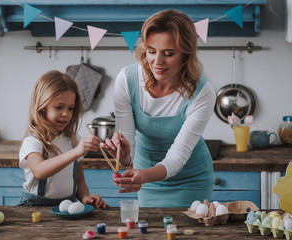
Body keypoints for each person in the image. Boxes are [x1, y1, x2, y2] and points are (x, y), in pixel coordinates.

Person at [101, 9, 216, 207]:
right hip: (144, 176)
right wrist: (125, 157)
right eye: (152, 51)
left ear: (185, 55)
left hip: (191, 179)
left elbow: (178, 156)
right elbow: (127, 141)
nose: (157, 62)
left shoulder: (203, 92)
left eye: (169, 54)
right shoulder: (127, 80)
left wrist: (144, 175)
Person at [17, 70, 108, 208]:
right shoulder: (33, 141)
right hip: (37, 208)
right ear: (42, 107)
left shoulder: (72, 140)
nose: (66, 113)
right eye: (59, 107)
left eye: (71, 108)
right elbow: (39, 170)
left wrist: (85, 197)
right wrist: (77, 152)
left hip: (68, 207)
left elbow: (80, 182)